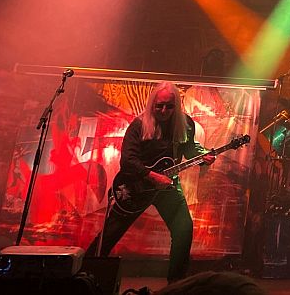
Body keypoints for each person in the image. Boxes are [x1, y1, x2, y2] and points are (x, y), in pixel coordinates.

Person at [89, 82, 215, 283]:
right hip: (135, 187)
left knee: (183, 230)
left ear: (176, 105)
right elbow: (128, 160)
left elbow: (189, 149)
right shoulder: (139, 125)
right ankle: (83, 276)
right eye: (159, 106)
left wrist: (203, 155)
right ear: (152, 104)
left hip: (167, 187)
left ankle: (176, 284)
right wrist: (152, 176)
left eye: (169, 106)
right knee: (109, 234)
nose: (164, 111)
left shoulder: (185, 124)